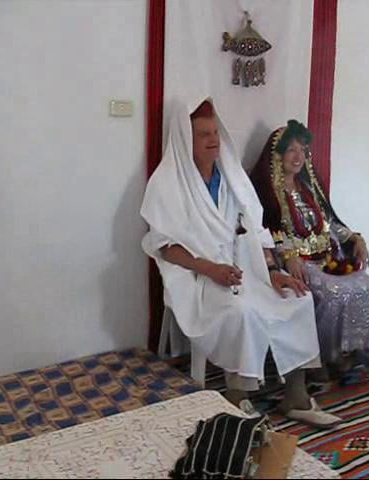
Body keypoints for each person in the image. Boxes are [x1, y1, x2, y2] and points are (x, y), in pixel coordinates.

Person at [140, 99, 341, 428]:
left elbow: (254, 231)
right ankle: (237, 394)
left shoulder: (232, 178)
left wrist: (273, 272)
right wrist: (210, 269)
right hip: (200, 277)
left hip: (245, 271)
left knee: (299, 299)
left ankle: (296, 395)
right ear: (183, 139)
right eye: (203, 134)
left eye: (216, 132)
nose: (213, 139)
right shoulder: (167, 184)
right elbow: (164, 247)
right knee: (243, 311)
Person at [250, 120, 369, 374]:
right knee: (334, 294)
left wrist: (355, 238)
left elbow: (329, 223)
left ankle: (356, 351)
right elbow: (263, 234)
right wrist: (288, 256)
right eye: (291, 150)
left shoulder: (309, 189)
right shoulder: (264, 192)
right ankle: (321, 361)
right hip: (295, 264)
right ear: (277, 155)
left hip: (326, 258)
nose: (298, 156)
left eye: (302, 150)